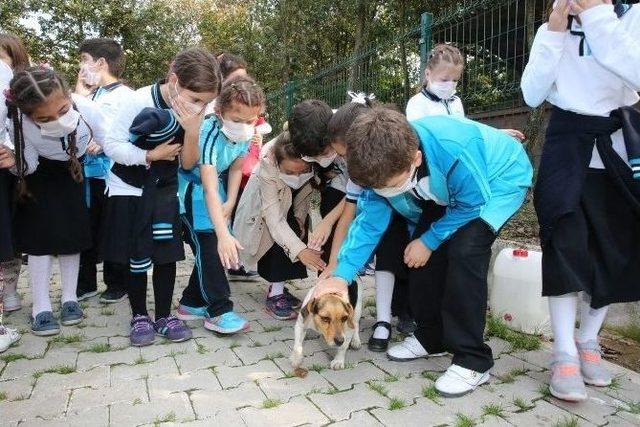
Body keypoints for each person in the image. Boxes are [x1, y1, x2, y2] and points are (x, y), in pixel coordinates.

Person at [318, 108, 532, 397]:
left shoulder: (453, 149)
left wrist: (430, 240)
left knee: (465, 250)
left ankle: (473, 360)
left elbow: (471, 204)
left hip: (497, 182)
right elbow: (368, 224)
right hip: (448, 189)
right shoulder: (378, 164)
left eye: (391, 187)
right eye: (377, 189)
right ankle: (432, 336)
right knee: (415, 252)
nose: (386, 193)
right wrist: (341, 275)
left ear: (415, 159)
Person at [521, 0, 640, 401]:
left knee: (613, 247)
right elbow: (532, 93)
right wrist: (555, 29)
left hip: (618, 144)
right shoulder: (553, 28)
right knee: (564, 241)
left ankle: (588, 340)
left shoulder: (632, 16)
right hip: (566, 144)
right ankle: (564, 351)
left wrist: (596, 14)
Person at [101, 47, 221, 346]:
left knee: (166, 253)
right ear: (174, 79)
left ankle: (165, 315)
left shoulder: (197, 115)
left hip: (165, 190)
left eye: (205, 104)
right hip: (130, 188)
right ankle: (140, 315)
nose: (199, 108)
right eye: (195, 100)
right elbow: (112, 145)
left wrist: (192, 131)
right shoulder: (137, 100)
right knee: (137, 253)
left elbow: (188, 163)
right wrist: (150, 154)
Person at [4, 66, 108, 336]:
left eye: (62, 111)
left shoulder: (88, 110)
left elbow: (107, 138)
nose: (57, 120)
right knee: (40, 241)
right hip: (40, 175)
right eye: (44, 118)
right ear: (29, 116)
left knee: (71, 237)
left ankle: (70, 299)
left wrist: (100, 147)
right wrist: (14, 162)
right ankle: (40, 306)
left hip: (72, 174)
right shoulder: (21, 123)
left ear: (69, 97)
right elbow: (28, 165)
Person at [320, 94, 415, 352]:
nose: (344, 162)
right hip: (380, 219)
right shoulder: (358, 176)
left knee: (412, 259)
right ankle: (383, 319)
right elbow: (348, 217)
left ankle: (408, 313)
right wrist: (334, 263)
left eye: (346, 154)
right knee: (386, 252)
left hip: (414, 220)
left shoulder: (395, 151)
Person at [175, 76, 265, 334]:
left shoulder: (247, 133)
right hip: (193, 196)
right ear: (219, 111)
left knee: (209, 252)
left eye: (250, 121)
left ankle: (191, 304)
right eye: (237, 120)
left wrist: (232, 200)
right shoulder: (210, 132)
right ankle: (219, 310)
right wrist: (223, 233)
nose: (244, 126)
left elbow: (237, 167)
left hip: (218, 195)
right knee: (213, 248)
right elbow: (209, 185)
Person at [233, 132, 322, 320]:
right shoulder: (268, 166)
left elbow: (305, 192)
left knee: (296, 233)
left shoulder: (315, 160)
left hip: (290, 203)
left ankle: (279, 288)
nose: (296, 176)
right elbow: (274, 220)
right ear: (278, 163)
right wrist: (301, 251)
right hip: (265, 212)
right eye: (289, 172)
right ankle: (275, 295)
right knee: (279, 241)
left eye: (301, 171)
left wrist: (301, 222)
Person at [75, 38, 132, 303]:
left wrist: (105, 142)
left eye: (85, 61)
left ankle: (117, 282)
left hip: (113, 175)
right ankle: (85, 283)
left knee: (113, 230)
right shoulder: (92, 95)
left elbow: (128, 135)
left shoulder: (126, 97)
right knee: (87, 228)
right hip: (89, 175)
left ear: (101, 63)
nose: (81, 68)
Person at [406, 44, 525, 141]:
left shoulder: (456, 101)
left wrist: (497, 134)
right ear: (427, 74)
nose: (450, 84)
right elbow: (418, 140)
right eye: (444, 79)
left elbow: (465, 131)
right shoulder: (417, 103)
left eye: (455, 80)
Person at [0, 32, 29, 351]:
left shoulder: (22, 91)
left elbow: (20, 132)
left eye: (4, 56)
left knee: (10, 238)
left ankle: (10, 290)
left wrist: (13, 155)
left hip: (12, 174)